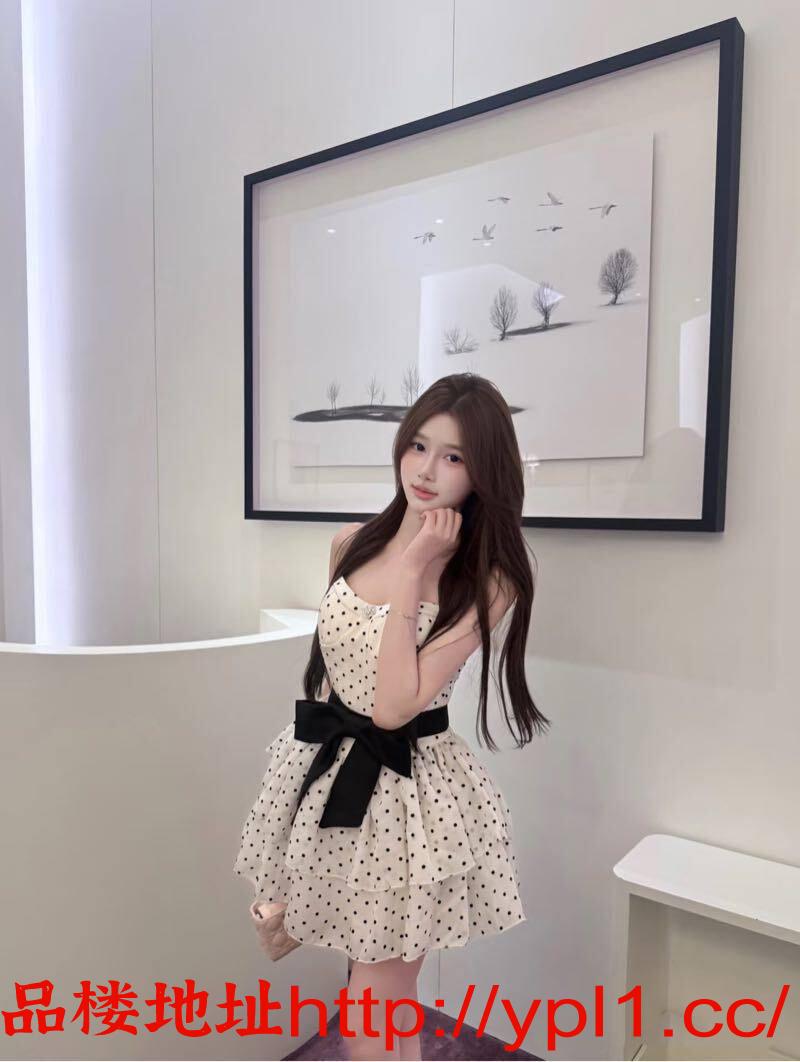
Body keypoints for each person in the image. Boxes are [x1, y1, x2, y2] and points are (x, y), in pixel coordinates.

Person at [234, 372, 550, 1060]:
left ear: (484, 471)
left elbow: (394, 705)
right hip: (329, 768)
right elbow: (333, 674)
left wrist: (413, 570)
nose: (427, 470)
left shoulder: (488, 582)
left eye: (454, 456)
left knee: (378, 992)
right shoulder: (350, 543)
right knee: (374, 987)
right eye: (418, 446)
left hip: (409, 794)